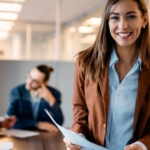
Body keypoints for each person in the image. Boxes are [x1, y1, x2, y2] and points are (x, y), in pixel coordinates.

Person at [64, 0, 150, 149]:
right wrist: (77, 135)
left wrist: (142, 145)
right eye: (115, 17)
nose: (123, 25)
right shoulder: (86, 62)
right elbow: (80, 109)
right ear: (107, 22)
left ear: (144, 20)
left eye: (131, 16)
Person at [6, 65, 64, 132]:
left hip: (44, 136)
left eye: (35, 81)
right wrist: (38, 124)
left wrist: (51, 101)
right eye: (29, 76)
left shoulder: (54, 93)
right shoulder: (17, 92)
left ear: (45, 83)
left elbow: (59, 123)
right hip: (21, 134)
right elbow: (10, 121)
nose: (29, 82)